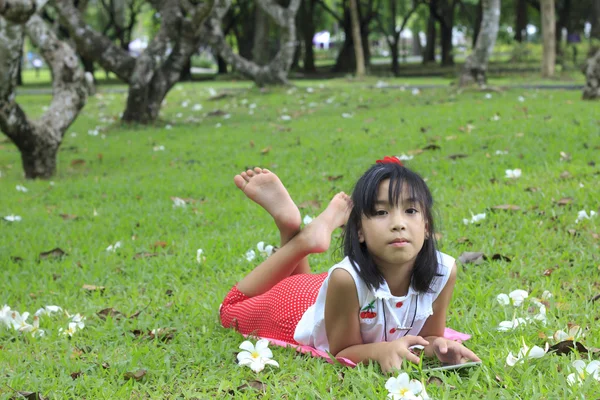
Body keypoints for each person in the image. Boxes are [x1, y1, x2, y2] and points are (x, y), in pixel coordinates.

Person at [220, 157, 480, 373]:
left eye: (410, 211)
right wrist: (381, 350)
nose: (398, 223)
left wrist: (441, 348)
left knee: (310, 283)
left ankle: (293, 230)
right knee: (229, 307)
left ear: (426, 227)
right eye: (381, 212)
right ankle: (300, 240)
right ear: (359, 232)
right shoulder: (346, 279)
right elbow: (341, 351)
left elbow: (430, 336)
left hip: (328, 294)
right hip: (293, 309)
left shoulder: (443, 272)